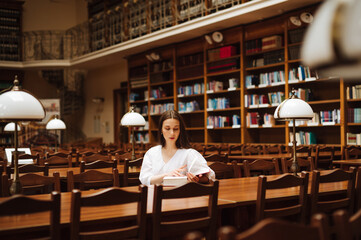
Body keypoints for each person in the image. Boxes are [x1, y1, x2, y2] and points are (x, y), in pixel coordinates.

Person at [139, 110, 215, 186]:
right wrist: (167, 175)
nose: (172, 133)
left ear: (180, 130)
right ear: (161, 130)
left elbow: (209, 177)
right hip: (155, 196)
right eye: (167, 128)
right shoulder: (151, 153)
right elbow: (144, 179)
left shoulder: (189, 153)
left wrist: (198, 179)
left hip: (181, 196)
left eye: (175, 129)